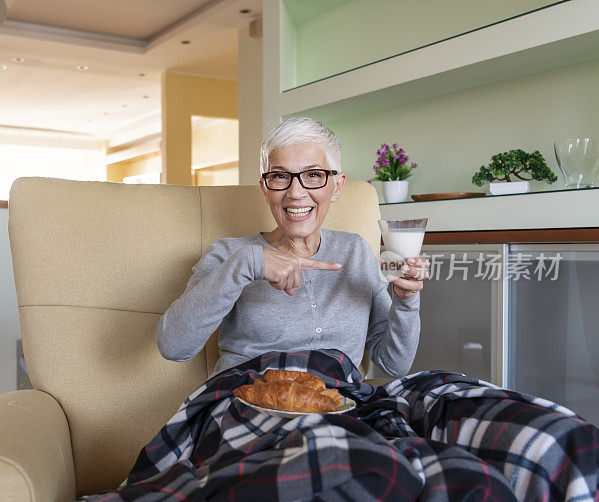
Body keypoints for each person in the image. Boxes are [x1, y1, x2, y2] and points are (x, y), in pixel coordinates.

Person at [156, 117, 428, 377]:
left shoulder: (354, 250)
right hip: (247, 402)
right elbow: (173, 347)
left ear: (336, 187)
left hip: (336, 405)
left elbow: (394, 365)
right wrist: (249, 263)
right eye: (279, 176)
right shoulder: (229, 254)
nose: (295, 192)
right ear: (265, 188)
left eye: (312, 175)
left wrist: (406, 302)